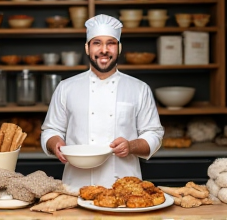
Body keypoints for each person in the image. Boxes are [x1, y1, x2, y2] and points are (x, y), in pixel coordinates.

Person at [41, 14, 164, 191]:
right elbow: (51, 130)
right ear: (87, 48)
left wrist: (130, 146)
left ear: (119, 48)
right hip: (76, 188)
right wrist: (55, 144)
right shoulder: (66, 87)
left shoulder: (139, 88)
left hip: (125, 189)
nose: (104, 50)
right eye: (97, 43)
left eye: (111, 43)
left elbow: (154, 134)